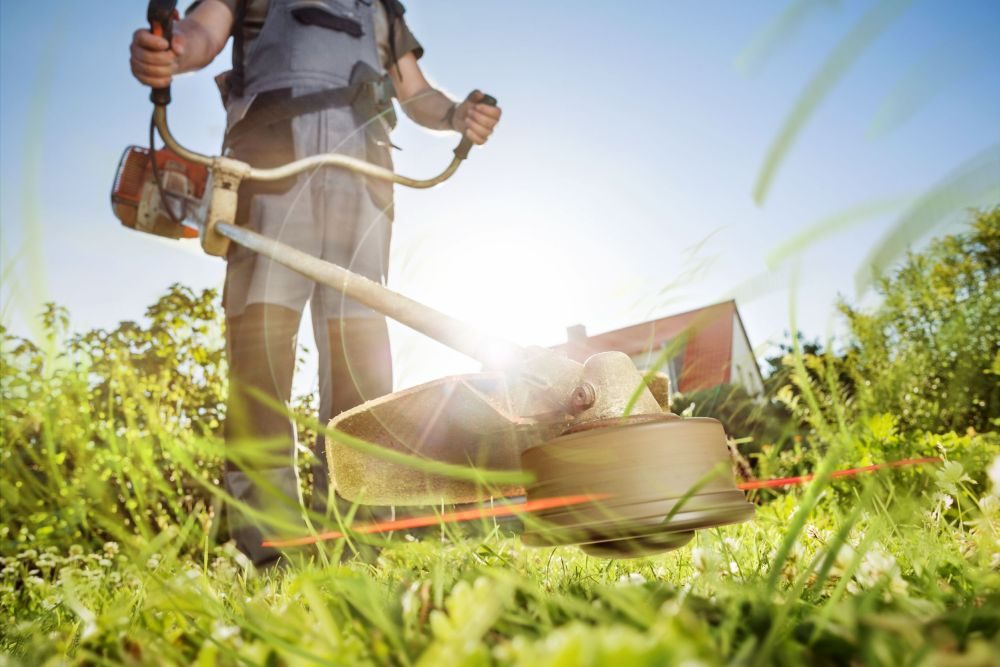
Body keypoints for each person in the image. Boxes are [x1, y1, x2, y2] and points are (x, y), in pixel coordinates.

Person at [129, 0, 502, 567]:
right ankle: (270, 555)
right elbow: (200, 33)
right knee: (262, 361)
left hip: (365, 175)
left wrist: (456, 115)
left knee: (363, 369)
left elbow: (416, 91)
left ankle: (361, 550)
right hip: (272, 165)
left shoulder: (380, 7)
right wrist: (173, 53)